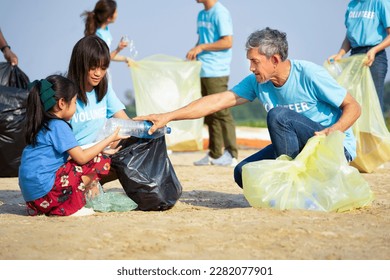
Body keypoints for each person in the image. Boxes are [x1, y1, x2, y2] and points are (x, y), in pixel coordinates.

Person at [134, 27, 362, 188]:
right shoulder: (257, 82)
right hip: (300, 150)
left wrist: (335, 130)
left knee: (278, 115)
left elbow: (353, 107)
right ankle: (296, 179)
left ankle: (291, 184)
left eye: (255, 61)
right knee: (242, 173)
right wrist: (168, 116)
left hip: (331, 148)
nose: (251, 68)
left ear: (274, 60)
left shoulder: (309, 74)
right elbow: (217, 101)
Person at [18, 75, 127, 216]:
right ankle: (73, 204)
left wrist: (103, 149)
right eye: (75, 102)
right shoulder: (59, 126)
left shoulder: (42, 125)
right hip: (47, 195)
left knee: (98, 154)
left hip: (33, 200)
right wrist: (110, 139)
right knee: (100, 159)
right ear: (62, 103)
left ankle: (61, 204)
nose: (76, 107)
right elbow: (81, 158)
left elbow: (73, 155)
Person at [186, 0, 238, 167]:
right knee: (209, 112)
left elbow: (227, 41)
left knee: (222, 111)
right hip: (203, 69)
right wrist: (194, 51)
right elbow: (202, 40)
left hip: (217, 70)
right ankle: (215, 154)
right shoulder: (201, 14)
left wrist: (201, 47)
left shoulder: (220, 13)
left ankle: (231, 153)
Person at [67, 35, 129, 147]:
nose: (98, 74)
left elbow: (126, 122)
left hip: (100, 153)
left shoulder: (105, 89)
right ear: (80, 64)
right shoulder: (65, 95)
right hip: (75, 157)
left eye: (103, 68)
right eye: (93, 67)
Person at [328, 0, 390, 113]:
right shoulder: (352, 5)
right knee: (354, 100)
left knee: (373, 102)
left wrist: (374, 50)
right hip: (355, 57)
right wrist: (340, 54)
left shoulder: (380, 2)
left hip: (374, 57)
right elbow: (349, 36)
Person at [81, 0, 132, 69]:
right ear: (109, 18)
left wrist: (126, 59)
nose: (117, 14)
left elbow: (108, 55)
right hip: (98, 74)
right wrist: (118, 49)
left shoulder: (105, 30)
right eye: (115, 12)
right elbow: (103, 59)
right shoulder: (98, 35)